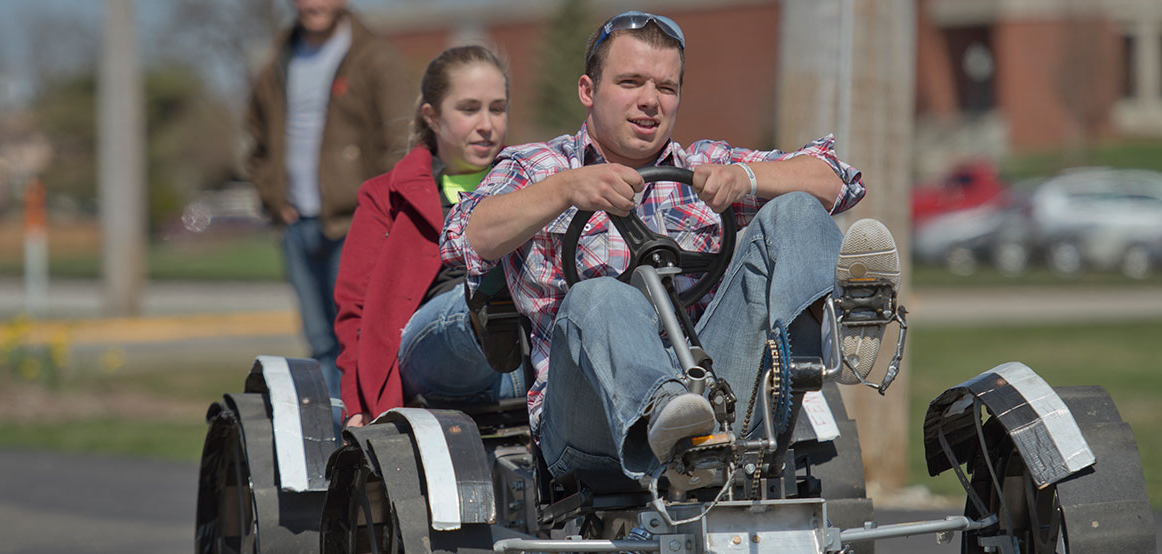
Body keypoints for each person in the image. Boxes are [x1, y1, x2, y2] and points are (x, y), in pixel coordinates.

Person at [439, 11, 895, 488]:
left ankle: (836, 334)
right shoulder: (539, 166)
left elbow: (838, 180)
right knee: (603, 296)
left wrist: (747, 179)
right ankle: (667, 417)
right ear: (587, 91)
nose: (650, 102)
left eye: (666, 88)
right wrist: (564, 190)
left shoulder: (705, 167)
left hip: (715, 397)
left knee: (798, 207)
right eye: (631, 82)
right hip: (583, 422)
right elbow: (463, 237)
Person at [333, 45, 516, 427]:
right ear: (431, 116)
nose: (487, 124)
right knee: (476, 296)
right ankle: (490, 301)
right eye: (469, 109)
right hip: (431, 350)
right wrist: (355, 404)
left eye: (497, 108)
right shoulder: (384, 196)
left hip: (523, 357)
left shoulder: (530, 183)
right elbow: (355, 309)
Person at [244, 0, 415, 405]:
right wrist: (272, 196)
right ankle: (331, 446)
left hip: (356, 223)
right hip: (296, 221)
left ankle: (361, 442)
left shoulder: (374, 56)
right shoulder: (279, 57)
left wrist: (378, 210)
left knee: (356, 343)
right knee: (319, 343)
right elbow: (256, 138)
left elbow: (401, 140)